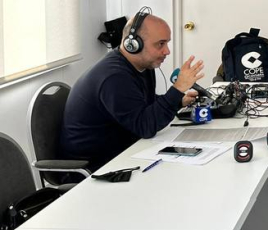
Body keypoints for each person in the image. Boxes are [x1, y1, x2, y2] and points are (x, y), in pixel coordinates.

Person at [60, 9, 205, 171]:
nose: (167, 51)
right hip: (96, 166)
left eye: (167, 43)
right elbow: (145, 127)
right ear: (134, 44)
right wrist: (177, 88)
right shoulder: (114, 77)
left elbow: (143, 103)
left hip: (122, 151)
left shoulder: (143, 66)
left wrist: (178, 100)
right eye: (160, 44)